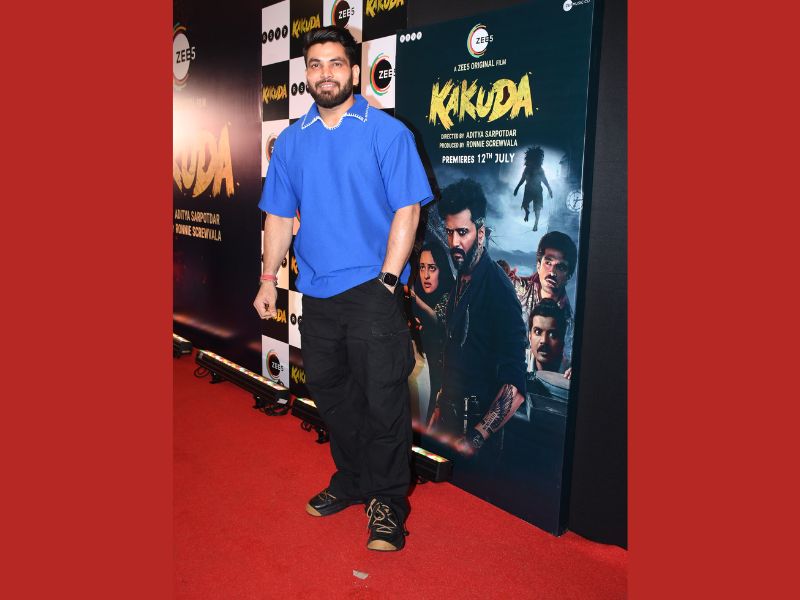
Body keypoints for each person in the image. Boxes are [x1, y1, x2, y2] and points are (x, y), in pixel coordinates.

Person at [253, 26, 433, 552]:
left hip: (373, 290)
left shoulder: (387, 133)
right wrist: (268, 279)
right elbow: (278, 216)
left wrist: (387, 281)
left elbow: (408, 209)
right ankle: (354, 480)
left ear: (355, 72)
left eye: (335, 63)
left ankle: (388, 502)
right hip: (316, 295)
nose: (325, 73)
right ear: (306, 75)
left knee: (383, 401)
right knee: (333, 396)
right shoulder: (292, 141)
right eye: (315, 64)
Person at [427, 178, 528, 461]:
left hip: (476, 438)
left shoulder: (498, 289)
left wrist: (477, 437)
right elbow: (456, 353)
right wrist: (439, 407)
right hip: (448, 422)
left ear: (481, 232)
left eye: (463, 232)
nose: (454, 243)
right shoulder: (461, 279)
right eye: (449, 232)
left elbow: (515, 385)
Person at [409, 241, 454, 424]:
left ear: (441, 270)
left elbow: (437, 318)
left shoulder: (450, 296)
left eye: (432, 268)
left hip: (440, 382)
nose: (426, 275)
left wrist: (414, 297)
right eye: (422, 267)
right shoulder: (413, 294)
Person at [519, 230, 578, 327]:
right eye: (548, 263)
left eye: (560, 267)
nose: (552, 272)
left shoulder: (567, 322)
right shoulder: (516, 290)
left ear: (569, 275)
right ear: (538, 266)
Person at [513, 146, 553, 231]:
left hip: (537, 190)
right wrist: (517, 188)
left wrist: (549, 189)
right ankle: (527, 212)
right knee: (524, 205)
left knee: (537, 208)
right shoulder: (527, 169)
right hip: (528, 189)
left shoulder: (540, 169)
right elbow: (522, 179)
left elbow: (544, 180)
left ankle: (536, 224)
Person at [528, 298, 571, 375]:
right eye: (538, 332)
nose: (544, 341)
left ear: (562, 340)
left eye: (552, 335)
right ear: (529, 337)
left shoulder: (570, 371)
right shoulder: (517, 362)